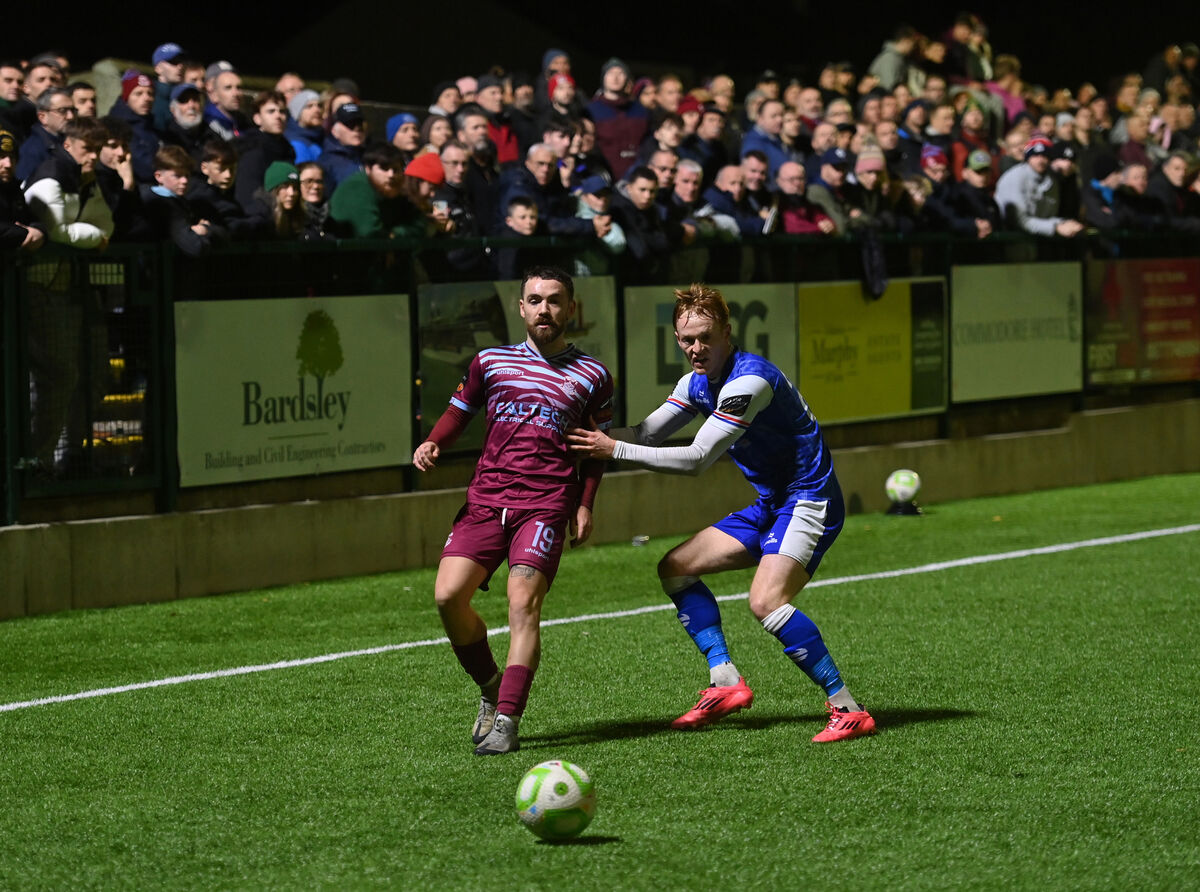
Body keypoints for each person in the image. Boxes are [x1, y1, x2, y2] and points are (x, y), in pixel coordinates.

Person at [567, 284, 874, 743]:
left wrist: (612, 449)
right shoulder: (694, 384)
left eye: (706, 337)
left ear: (727, 333)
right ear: (676, 339)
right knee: (675, 568)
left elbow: (695, 459)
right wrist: (581, 437)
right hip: (772, 505)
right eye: (687, 339)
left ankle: (848, 708)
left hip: (810, 500)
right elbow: (647, 434)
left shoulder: (750, 381)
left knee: (765, 602)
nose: (697, 348)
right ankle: (726, 682)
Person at [414, 266, 614, 756]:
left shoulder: (594, 375)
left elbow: (596, 449)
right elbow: (460, 411)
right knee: (447, 598)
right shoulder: (491, 361)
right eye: (534, 300)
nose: (544, 308)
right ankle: (489, 685)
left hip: (545, 505)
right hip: (485, 501)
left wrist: (584, 504)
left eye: (554, 300)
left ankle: (506, 719)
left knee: (522, 604)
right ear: (520, 308)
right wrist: (434, 442)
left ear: (570, 308)